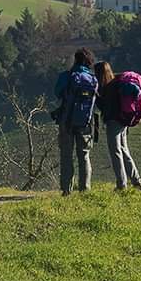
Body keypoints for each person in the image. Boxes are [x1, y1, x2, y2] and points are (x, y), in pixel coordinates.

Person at [53, 48, 97, 195]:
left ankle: (66, 190)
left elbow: (57, 93)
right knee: (84, 155)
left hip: (66, 120)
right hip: (85, 122)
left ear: (75, 60)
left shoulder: (66, 76)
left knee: (66, 156)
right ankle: (85, 189)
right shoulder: (92, 79)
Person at [96, 61, 141, 192]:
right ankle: (137, 182)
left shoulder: (108, 88)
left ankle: (121, 184)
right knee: (124, 151)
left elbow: (105, 107)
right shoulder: (117, 82)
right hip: (124, 121)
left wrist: (96, 96)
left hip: (114, 122)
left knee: (115, 152)